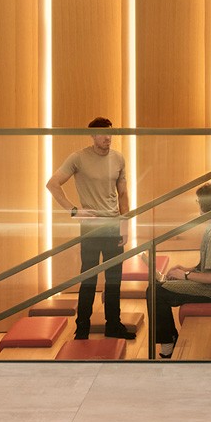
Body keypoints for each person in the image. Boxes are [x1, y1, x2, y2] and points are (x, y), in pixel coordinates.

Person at [45, 117, 136, 340]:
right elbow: (53, 184)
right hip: (91, 229)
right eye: (103, 134)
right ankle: (82, 327)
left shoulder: (118, 158)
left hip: (114, 225)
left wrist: (125, 225)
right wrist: (74, 211)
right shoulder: (78, 158)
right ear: (93, 136)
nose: (107, 138)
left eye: (110, 133)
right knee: (89, 279)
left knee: (114, 279)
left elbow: (123, 194)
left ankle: (113, 325)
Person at [150, 183, 211, 359]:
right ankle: (169, 341)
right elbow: (208, 266)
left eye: (199, 201)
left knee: (156, 292)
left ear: (205, 205)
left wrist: (185, 276)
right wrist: (186, 269)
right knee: (161, 284)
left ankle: (168, 346)